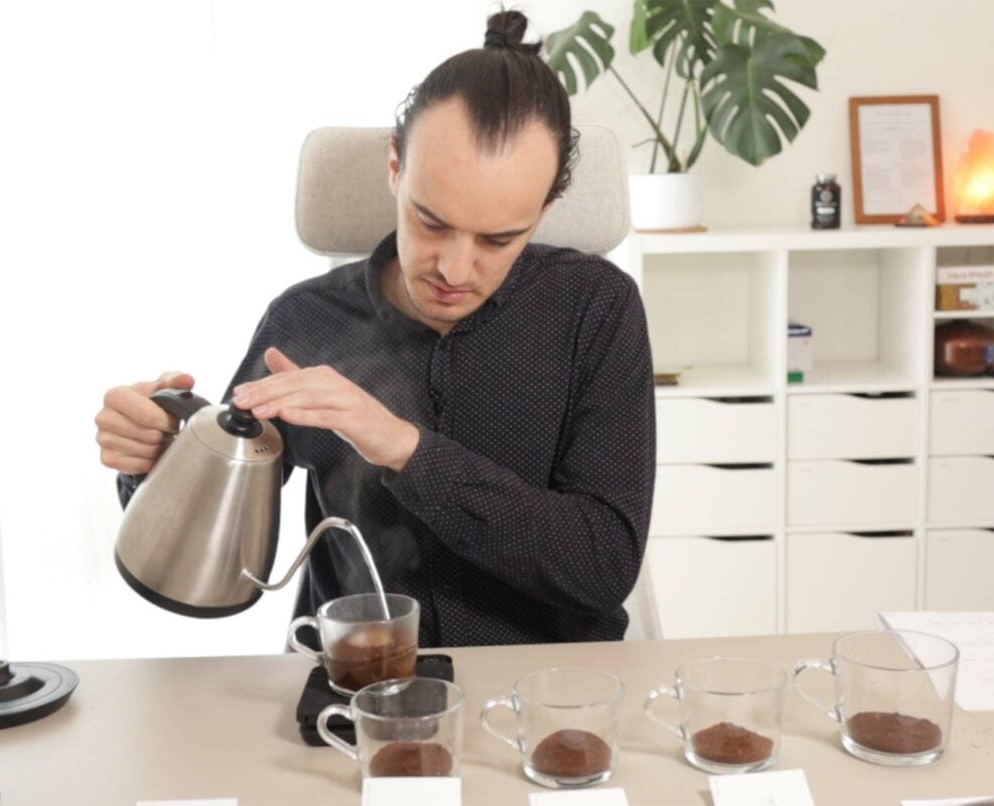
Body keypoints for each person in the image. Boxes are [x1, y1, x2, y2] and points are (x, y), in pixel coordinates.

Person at [95, 10, 656, 648]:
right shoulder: (304, 323)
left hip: (548, 695)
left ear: (547, 207)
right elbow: (218, 553)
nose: (454, 268)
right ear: (395, 168)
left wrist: (404, 448)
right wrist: (160, 459)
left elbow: (603, 566)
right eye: (431, 220)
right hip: (357, 689)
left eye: (499, 239)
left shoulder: (596, 310)